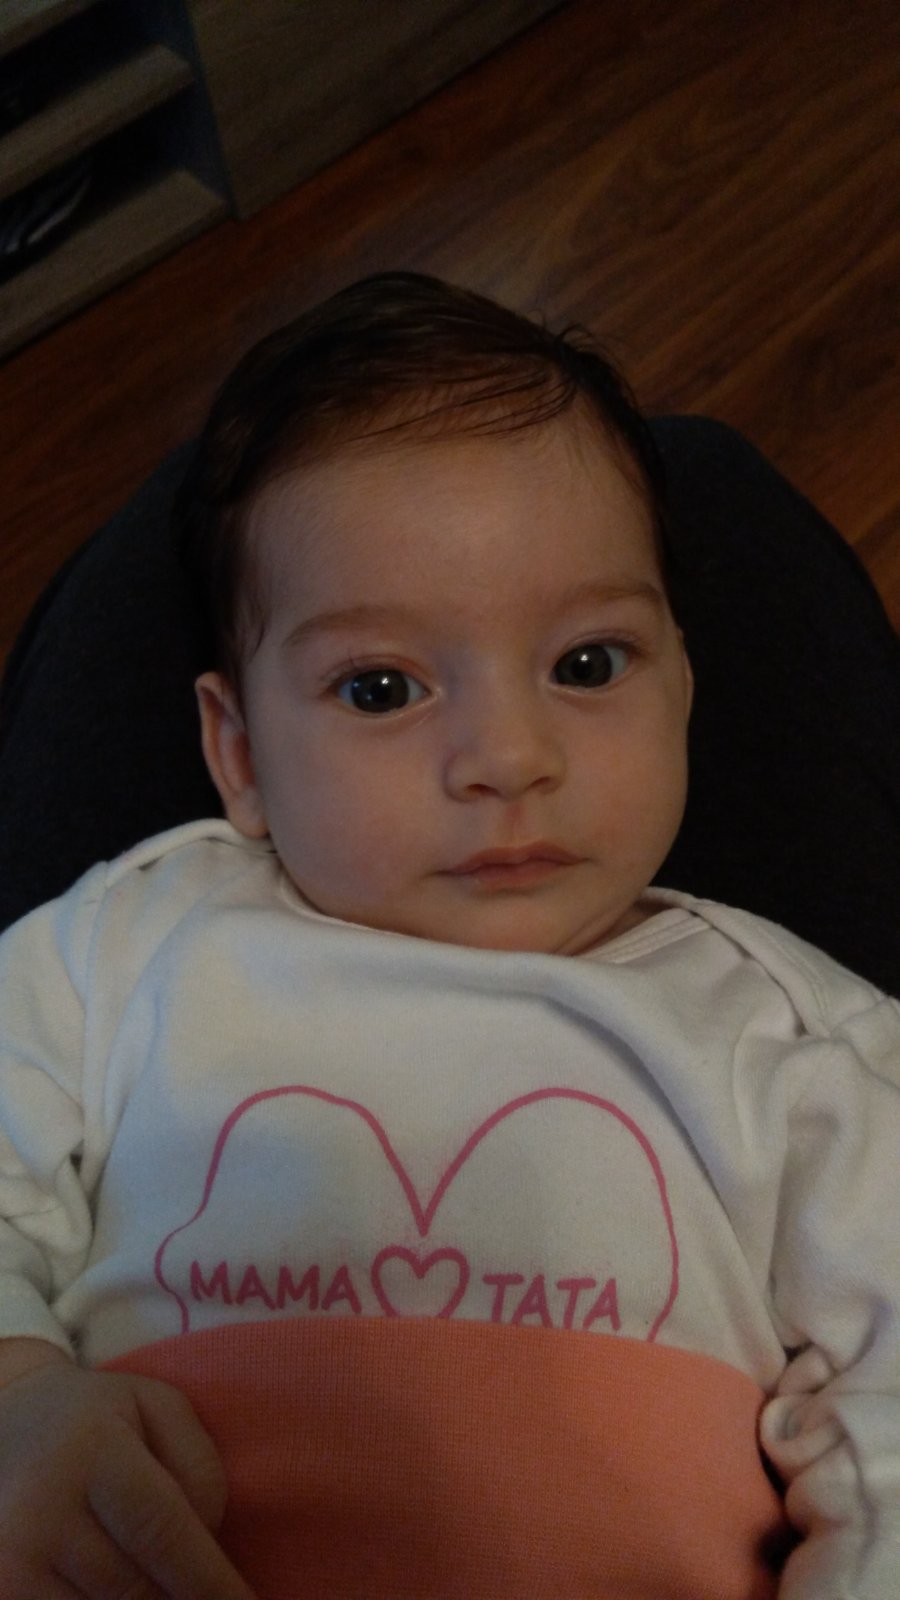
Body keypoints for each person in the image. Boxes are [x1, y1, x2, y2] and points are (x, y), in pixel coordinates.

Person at [0, 272, 897, 1599]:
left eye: (588, 666)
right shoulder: (132, 943)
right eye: (382, 688)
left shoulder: (788, 1030)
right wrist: (18, 1394)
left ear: (685, 689)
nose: (510, 757)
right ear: (237, 752)